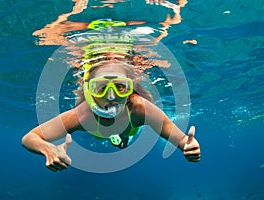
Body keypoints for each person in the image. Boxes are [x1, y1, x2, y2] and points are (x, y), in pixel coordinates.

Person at [22, 59, 201, 172]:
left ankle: (122, 140)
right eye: (101, 87)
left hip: (128, 127)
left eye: (120, 86)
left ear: (130, 89)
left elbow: (182, 140)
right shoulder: (82, 116)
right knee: (116, 136)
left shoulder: (140, 109)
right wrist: (48, 149)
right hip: (99, 129)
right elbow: (30, 138)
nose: (111, 95)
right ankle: (120, 139)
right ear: (89, 90)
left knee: (123, 137)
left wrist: (187, 146)